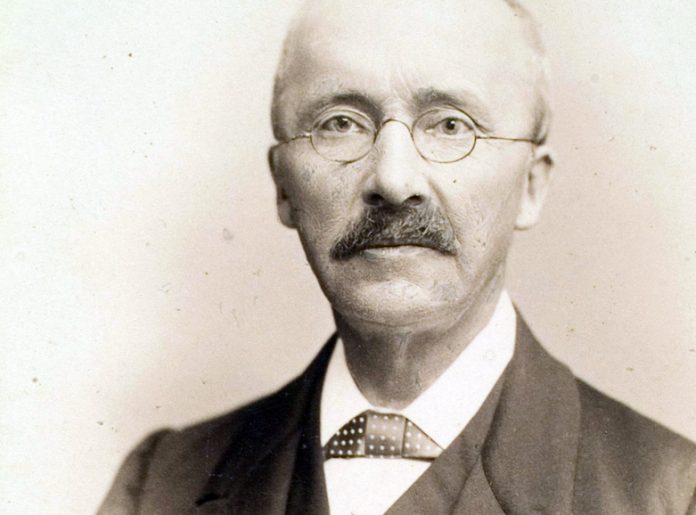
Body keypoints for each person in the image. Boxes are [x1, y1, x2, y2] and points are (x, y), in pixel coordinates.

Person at [98, 1, 696, 513]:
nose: (393, 178)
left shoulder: (670, 495)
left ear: (532, 185)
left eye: (451, 126)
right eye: (340, 123)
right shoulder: (159, 487)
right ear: (283, 186)